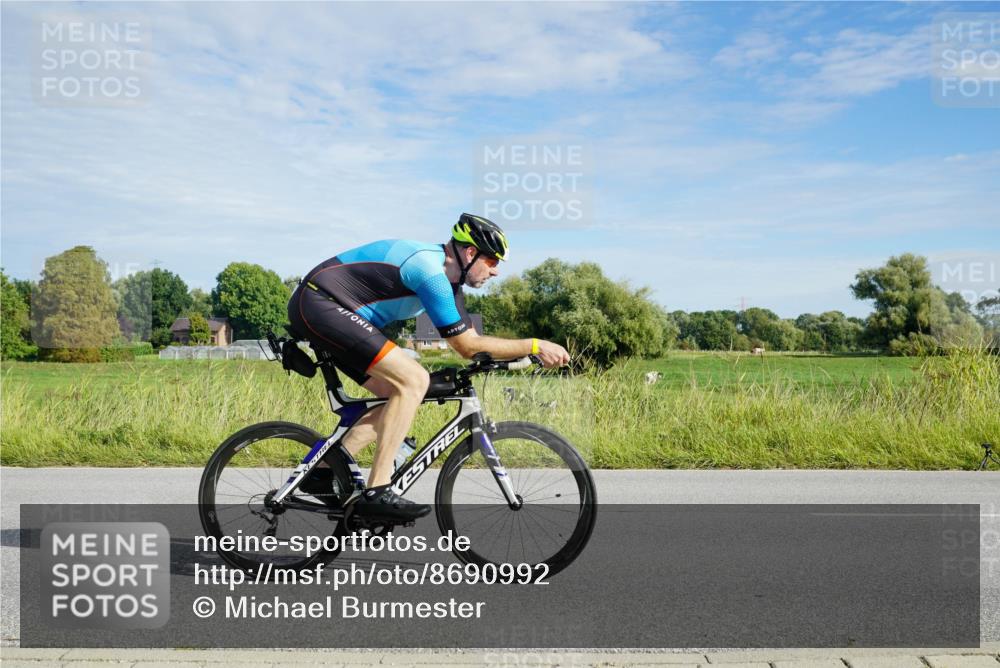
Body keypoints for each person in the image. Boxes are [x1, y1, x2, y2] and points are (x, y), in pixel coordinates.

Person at [288, 213, 570, 521]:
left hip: (338, 314)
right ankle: (378, 490)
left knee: (398, 392)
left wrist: (513, 357)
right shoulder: (430, 271)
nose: (496, 272)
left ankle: (323, 472)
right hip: (320, 304)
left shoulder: (450, 285)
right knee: (413, 380)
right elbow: (467, 346)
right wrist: (534, 345)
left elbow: (472, 342)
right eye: (492, 261)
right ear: (470, 253)